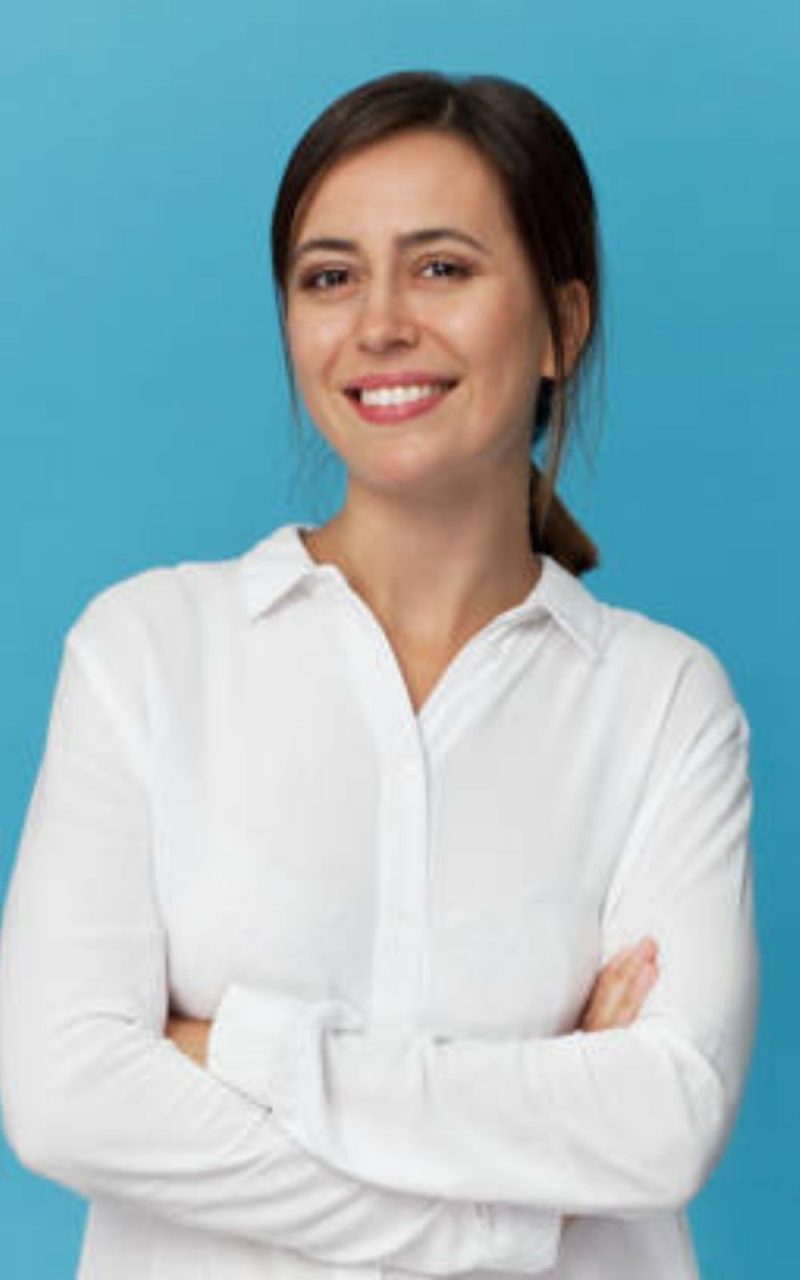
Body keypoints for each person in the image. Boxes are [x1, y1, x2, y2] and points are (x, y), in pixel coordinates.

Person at [0, 70, 758, 1280]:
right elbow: (64, 1094)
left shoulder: (660, 700)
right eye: (329, 277)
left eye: (442, 266)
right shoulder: (145, 651)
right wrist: (499, 1206)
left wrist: (227, 1045)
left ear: (561, 325)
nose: (379, 323)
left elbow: (662, 1120)